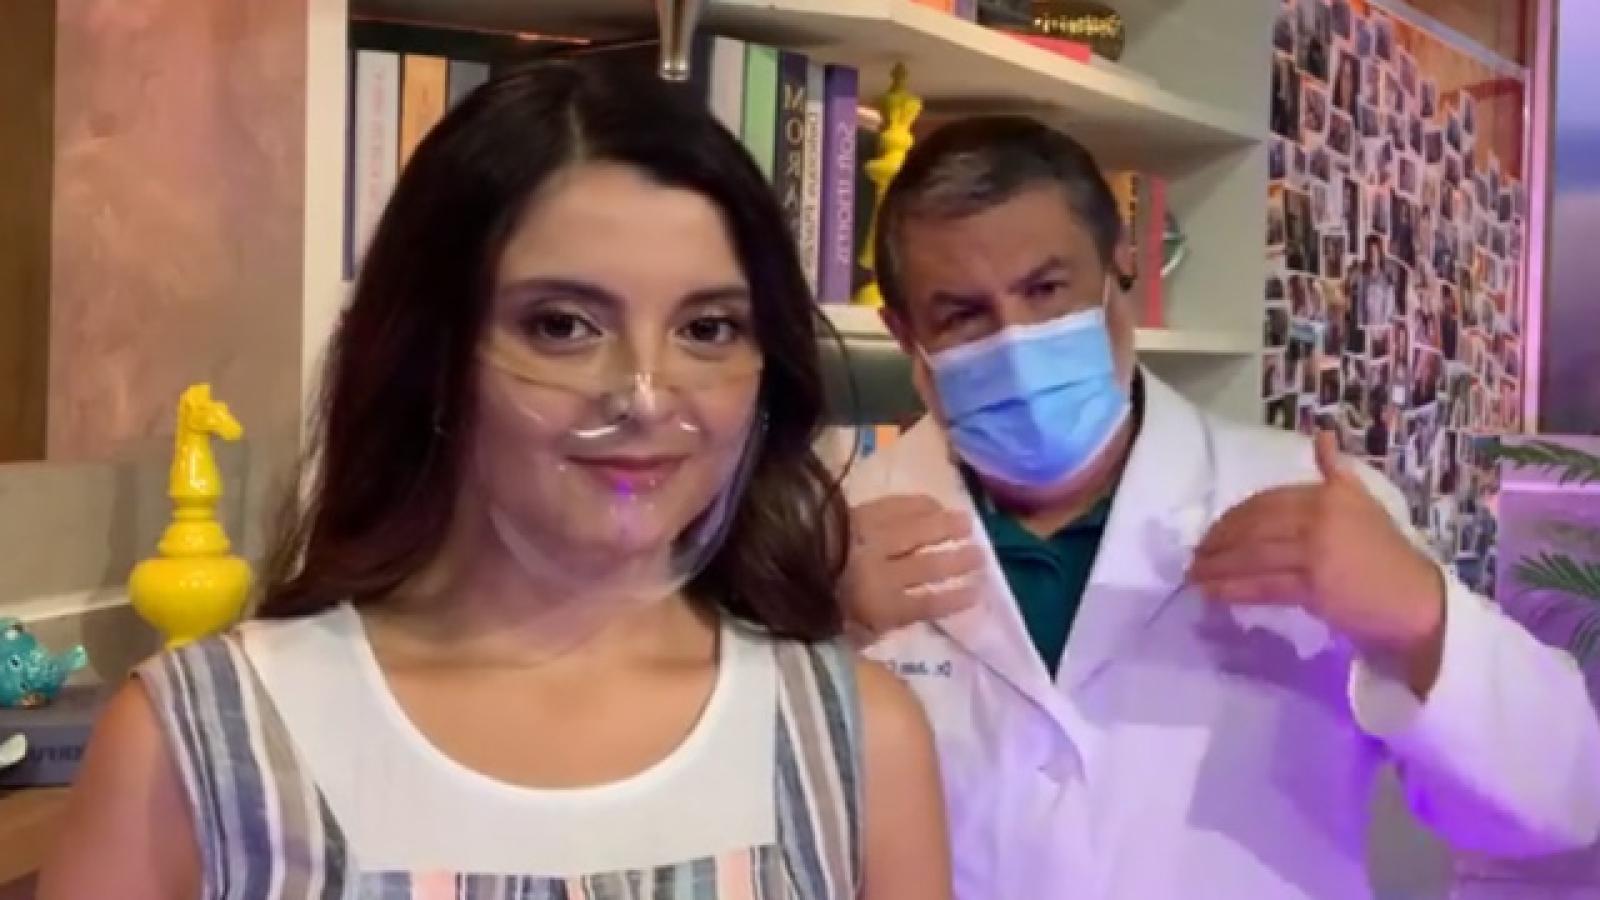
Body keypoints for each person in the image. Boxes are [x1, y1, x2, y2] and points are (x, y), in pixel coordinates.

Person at [40, 61, 949, 899]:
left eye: (706, 329)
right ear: (430, 354)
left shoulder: (857, 742)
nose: (645, 397)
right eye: (562, 326)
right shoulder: (196, 745)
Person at [840, 114, 1600, 898]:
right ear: (904, 333)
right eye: (963, 315)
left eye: (1045, 290)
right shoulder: (838, 538)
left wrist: (1418, 615)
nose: (1017, 339)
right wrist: (820, 639)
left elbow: (1561, 805)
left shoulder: (1310, 499)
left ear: (1118, 268)